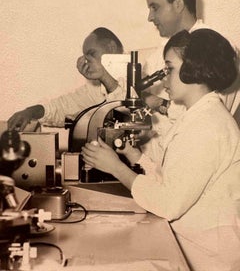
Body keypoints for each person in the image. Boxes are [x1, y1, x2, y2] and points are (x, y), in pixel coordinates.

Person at [82, 29, 240, 271]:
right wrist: (135, 156)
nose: (164, 80)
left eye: (170, 69)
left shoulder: (208, 125)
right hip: (196, 244)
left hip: (208, 256)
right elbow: (174, 181)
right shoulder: (199, 116)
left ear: (193, 68)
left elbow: (168, 203)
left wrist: (115, 168)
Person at [140, 0, 239, 163]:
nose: (150, 17)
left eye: (155, 7)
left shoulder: (216, 46)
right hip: (159, 160)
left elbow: (205, 115)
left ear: (178, 4)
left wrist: (159, 104)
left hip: (192, 161)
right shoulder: (159, 54)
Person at [7, 27, 125, 130]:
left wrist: (104, 75)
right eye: (85, 56)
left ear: (111, 47)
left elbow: (128, 114)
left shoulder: (142, 69)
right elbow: (63, 107)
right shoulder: (95, 88)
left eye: (92, 54)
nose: (87, 61)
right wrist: (31, 111)